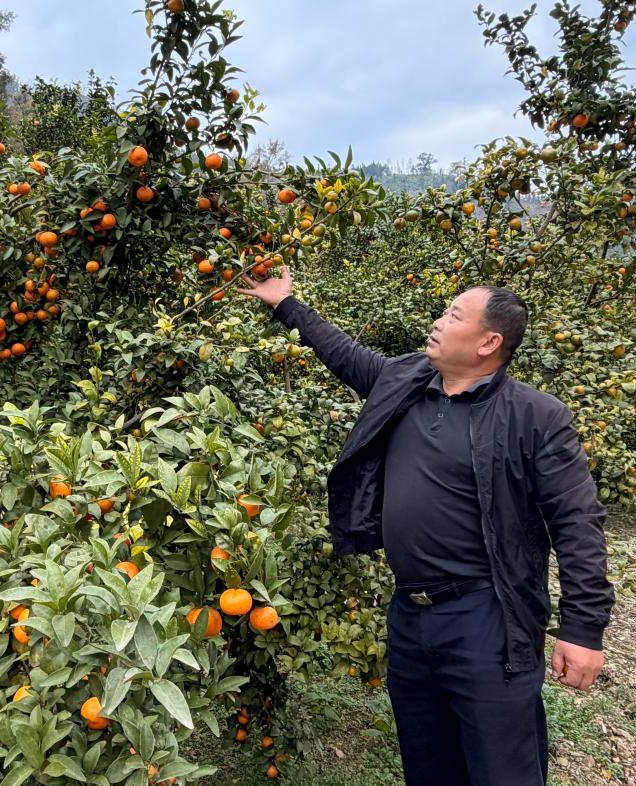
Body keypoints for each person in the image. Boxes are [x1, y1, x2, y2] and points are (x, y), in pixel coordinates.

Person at [237, 266, 614, 786]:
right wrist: (285, 303)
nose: (438, 322)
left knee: (502, 768)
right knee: (427, 764)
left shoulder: (534, 416)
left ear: (488, 342)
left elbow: (577, 521)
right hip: (410, 616)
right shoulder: (406, 382)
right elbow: (343, 354)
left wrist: (583, 629)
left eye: (454, 315)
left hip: (487, 619)